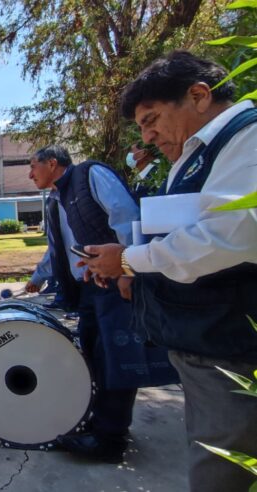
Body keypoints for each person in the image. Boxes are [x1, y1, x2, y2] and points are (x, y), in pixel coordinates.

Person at [81, 51, 257, 492]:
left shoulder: (246, 137)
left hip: (229, 344)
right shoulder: (195, 153)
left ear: (198, 96)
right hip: (203, 340)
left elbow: (229, 234)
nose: (147, 135)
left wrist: (128, 259)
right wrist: (134, 269)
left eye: (152, 119)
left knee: (222, 468)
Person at [28, 144, 140, 463]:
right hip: (92, 287)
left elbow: (128, 217)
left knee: (115, 358)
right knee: (91, 355)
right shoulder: (57, 198)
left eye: (33, 165)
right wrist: (40, 275)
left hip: (116, 282)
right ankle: (97, 425)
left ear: (52, 163)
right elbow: (61, 247)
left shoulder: (91, 175)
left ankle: (111, 439)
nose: (29, 173)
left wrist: (129, 269)